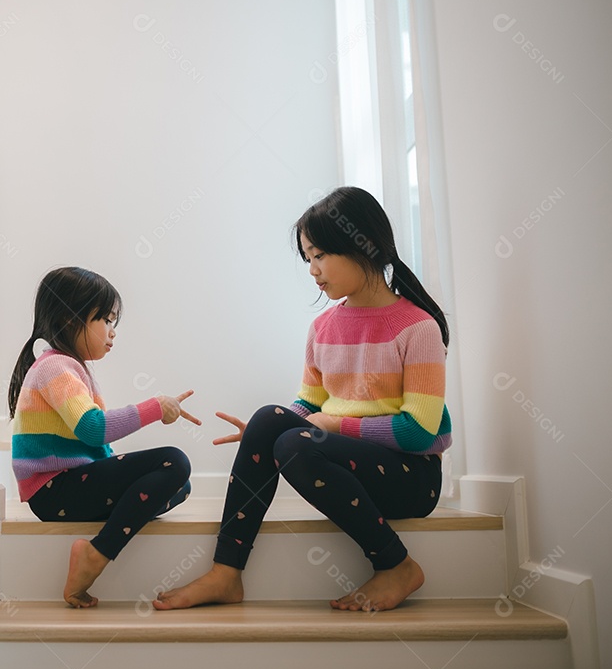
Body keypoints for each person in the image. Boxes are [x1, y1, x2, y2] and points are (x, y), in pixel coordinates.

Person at [154, 186, 451, 613]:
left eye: (320, 255)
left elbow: (420, 431)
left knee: (293, 443)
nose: (313, 270)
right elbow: (309, 406)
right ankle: (226, 572)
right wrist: (261, 432)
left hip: (410, 476)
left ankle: (398, 566)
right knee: (270, 421)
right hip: (350, 463)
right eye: (307, 258)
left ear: (362, 245)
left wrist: (336, 425)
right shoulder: (323, 328)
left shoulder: (417, 328)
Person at [9, 266, 199, 608]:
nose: (113, 333)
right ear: (71, 320)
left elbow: (92, 442)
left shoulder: (69, 367)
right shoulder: (55, 368)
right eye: (107, 320)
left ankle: (98, 548)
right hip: (55, 489)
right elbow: (93, 428)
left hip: (66, 489)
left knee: (179, 485)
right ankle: (94, 556)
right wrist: (155, 407)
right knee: (174, 461)